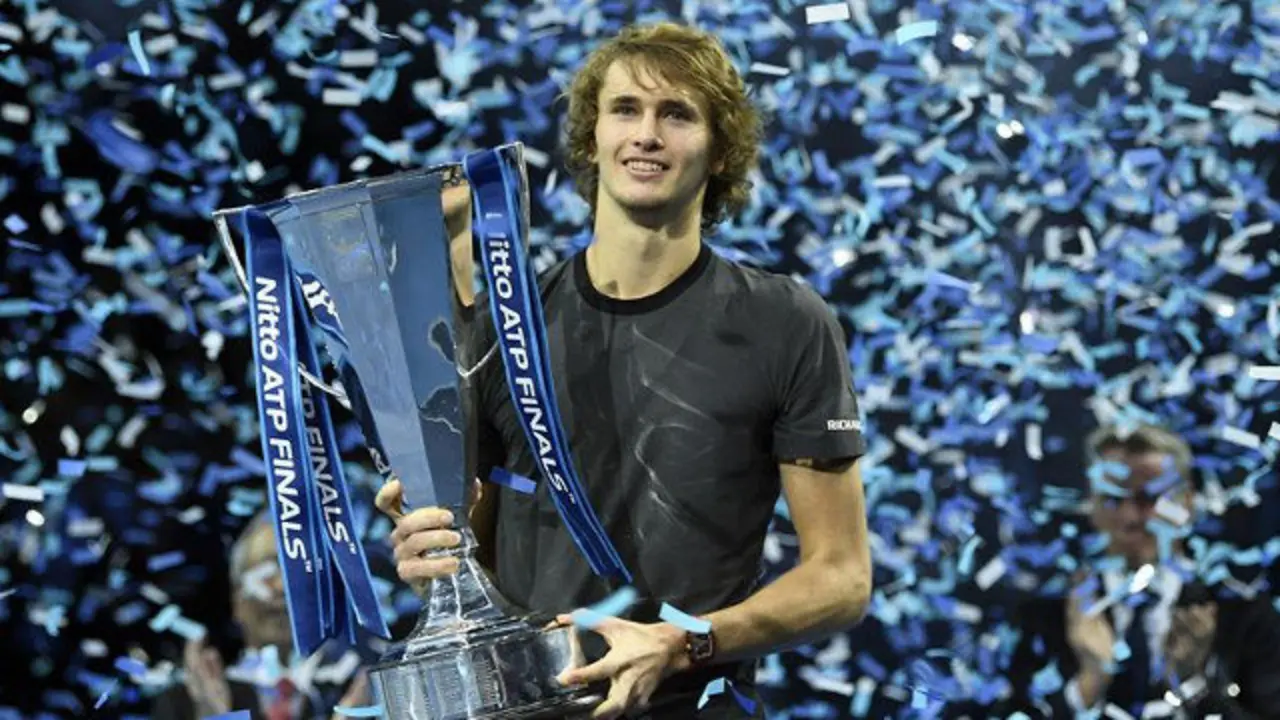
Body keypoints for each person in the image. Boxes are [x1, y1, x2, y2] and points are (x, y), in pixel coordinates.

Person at [375, 20, 872, 720]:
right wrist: (432, 562)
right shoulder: (507, 327)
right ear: (591, 138)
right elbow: (471, 566)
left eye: (677, 114)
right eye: (626, 110)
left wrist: (684, 642)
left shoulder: (786, 322)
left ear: (719, 151)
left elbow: (841, 577)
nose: (647, 134)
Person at [996, 423, 1280, 719]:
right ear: (1092, 504)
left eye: (1149, 499)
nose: (1130, 517)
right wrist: (1088, 683)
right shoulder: (1043, 618)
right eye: (1113, 499)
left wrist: (1193, 687)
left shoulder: (1245, 616)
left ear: (1186, 502)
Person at [151, 512, 371, 720]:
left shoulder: (369, 695)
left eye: (297, 572)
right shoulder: (184, 702)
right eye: (264, 573)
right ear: (237, 602)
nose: (280, 588)